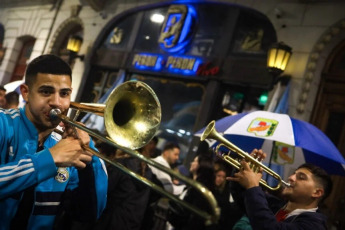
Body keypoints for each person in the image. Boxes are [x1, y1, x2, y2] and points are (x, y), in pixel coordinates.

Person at [0, 54, 108, 230]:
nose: (57, 102)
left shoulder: (68, 144)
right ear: (26, 93)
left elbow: (88, 213)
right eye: (46, 92)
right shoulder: (3, 123)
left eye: (64, 93)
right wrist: (49, 159)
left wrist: (90, 156)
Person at [227, 149, 333, 230]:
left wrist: (253, 186)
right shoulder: (277, 204)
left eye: (301, 177)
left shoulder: (314, 224)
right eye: (293, 174)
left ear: (317, 192)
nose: (291, 178)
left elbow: (270, 227)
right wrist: (244, 168)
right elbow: (242, 197)